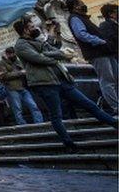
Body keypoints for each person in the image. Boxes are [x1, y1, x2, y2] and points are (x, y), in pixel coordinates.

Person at [13, 18, 117, 152]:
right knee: (56, 115)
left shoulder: (37, 40)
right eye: (32, 26)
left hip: (61, 80)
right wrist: (58, 56)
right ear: (25, 30)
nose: (35, 28)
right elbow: (39, 59)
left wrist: (54, 33)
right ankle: (69, 144)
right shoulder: (20, 45)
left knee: (89, 104)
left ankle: (115, 124)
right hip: (45, 83)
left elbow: (55, 47)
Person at [64, 0, 117, 113]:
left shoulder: (82, 17)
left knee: (115, 78)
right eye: (81, 3)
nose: (83, 4)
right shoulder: (75, 18)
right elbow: (81, 34)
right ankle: (116, 107)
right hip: (97, 53)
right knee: (108, 81)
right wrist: (99, 41)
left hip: (104, 51)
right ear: (75, 7)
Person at [0, 47, 43, 125]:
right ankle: (21, 124)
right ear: (7, 54)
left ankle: (39, 122)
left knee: (33, 105)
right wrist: (20, 73)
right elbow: (4, 76)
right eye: (11, 54)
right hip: (12, 88)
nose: (13, 55)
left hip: (23, 87)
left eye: (14, 53)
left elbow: (25, 70)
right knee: (17, 108)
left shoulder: (18, 61)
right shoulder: (1, 63)